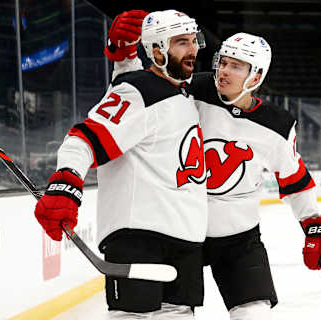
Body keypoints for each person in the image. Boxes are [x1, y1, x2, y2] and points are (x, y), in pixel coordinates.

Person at [106, 13, 321, 320]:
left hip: (238, 240)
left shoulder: (277, 126)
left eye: (236, 66)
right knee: (171, 314)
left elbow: (295, 180)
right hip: (182, 232)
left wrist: (314, 227)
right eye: (223, 62)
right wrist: (124, 57)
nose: (224, 71)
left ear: (255, 77)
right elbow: (139, 92)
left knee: (254, 314)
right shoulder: (192, 90)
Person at [34, 9, 209, 319]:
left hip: (185, 239)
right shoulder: (138, 92)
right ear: (156, 50)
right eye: (181, 42)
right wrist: (65, 183)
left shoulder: (178, 91)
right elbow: (83, 138)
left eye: (194, 41)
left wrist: (123, 55)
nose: (192, 50)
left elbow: (129, 80)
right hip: (140, 239)